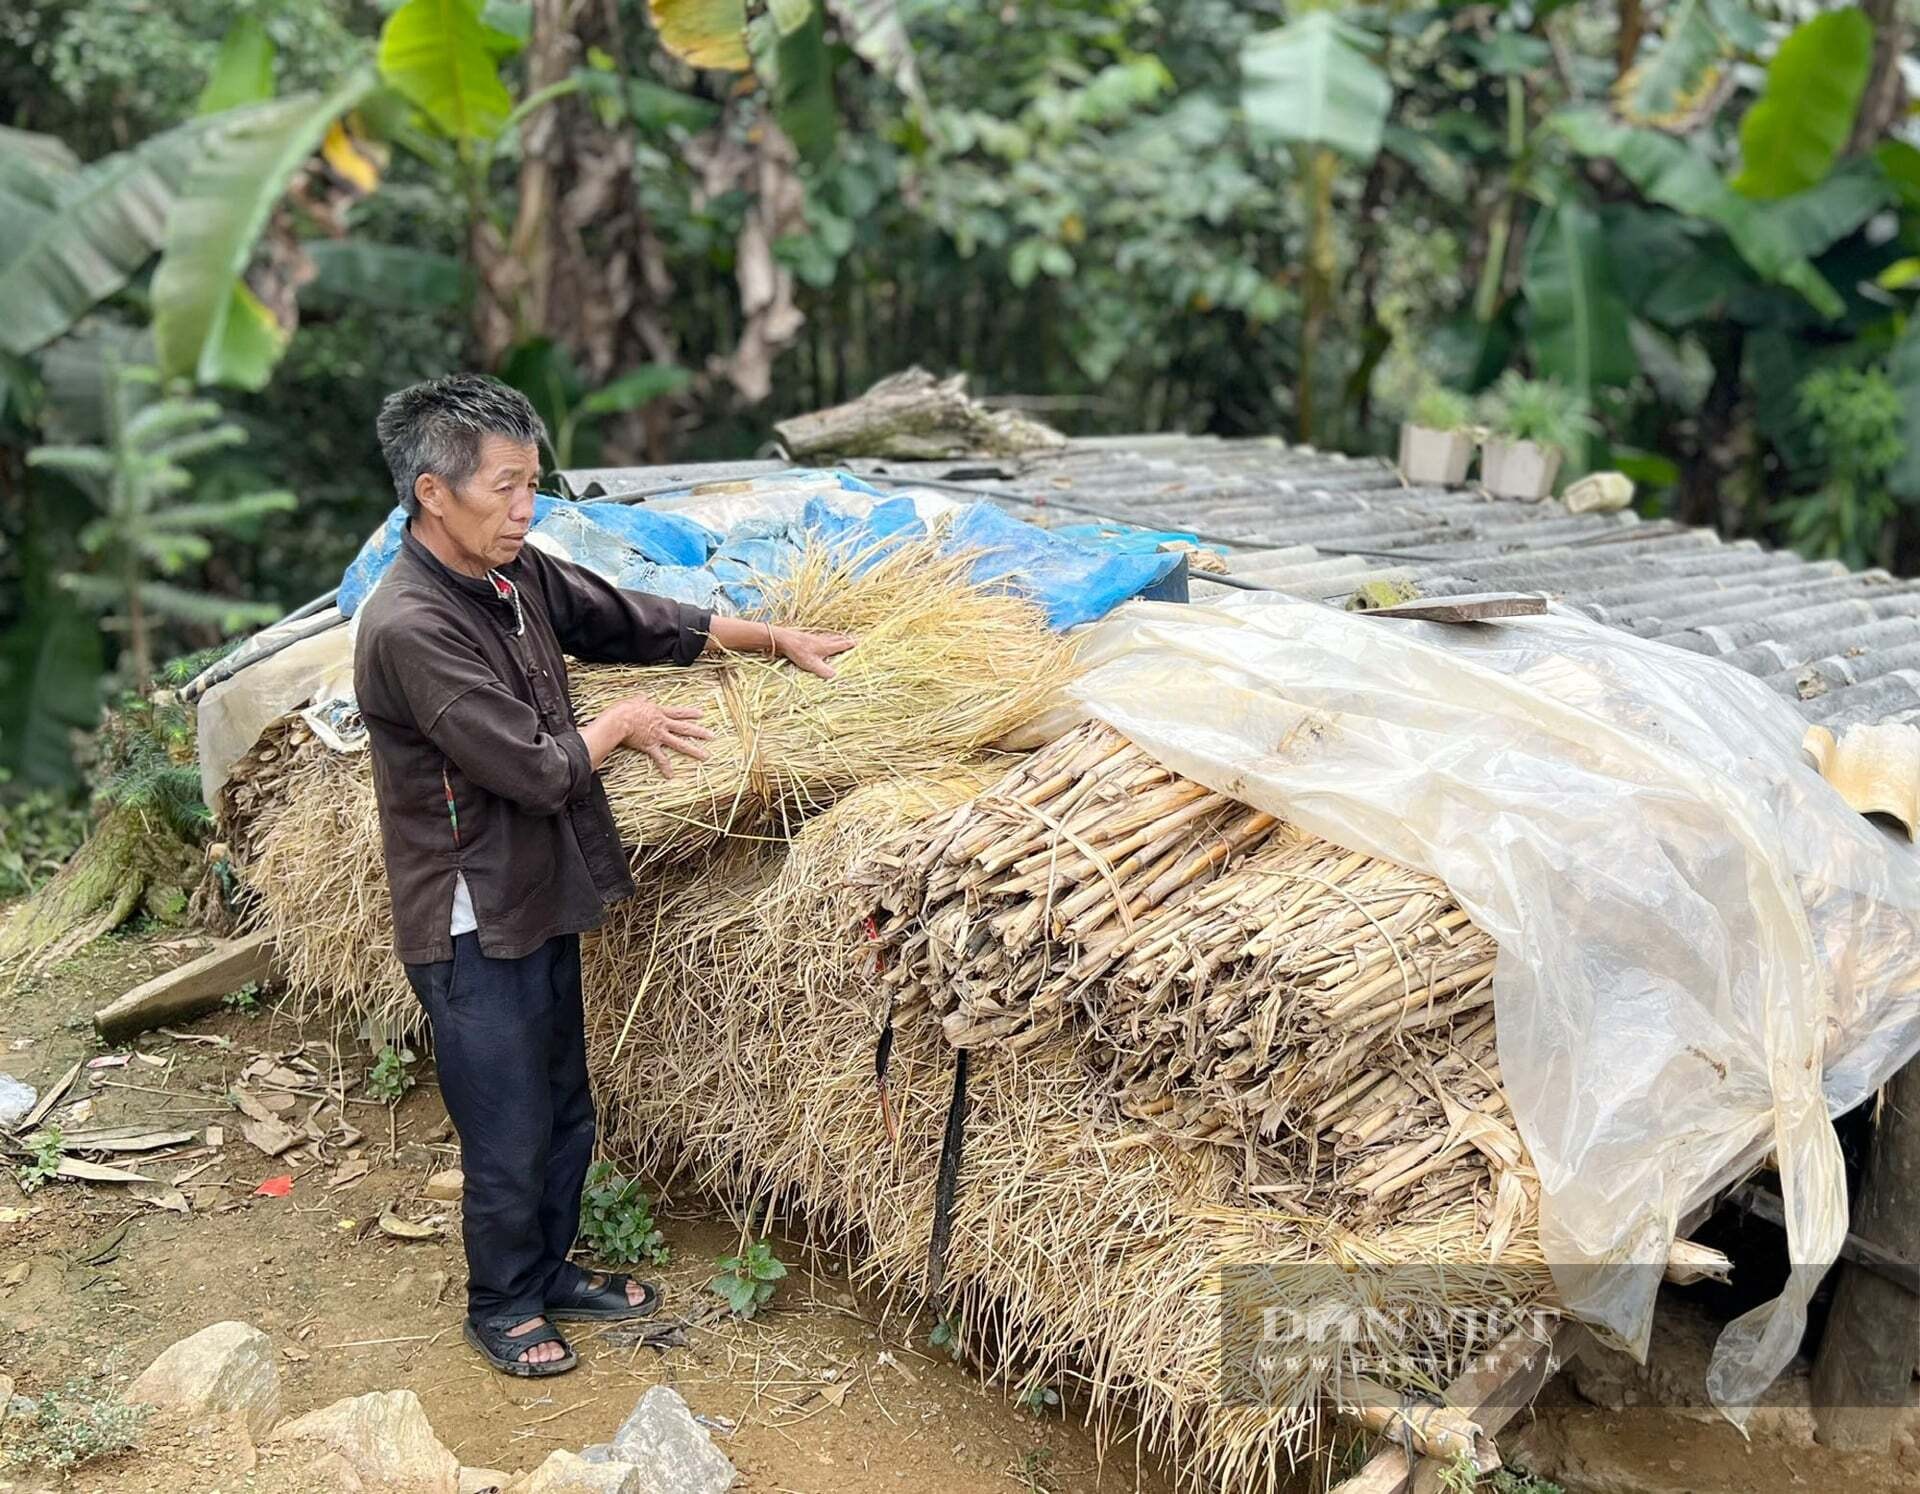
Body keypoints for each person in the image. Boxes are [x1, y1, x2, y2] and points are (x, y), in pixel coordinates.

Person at [353, 374, 854, 1376]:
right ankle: (500, 1304)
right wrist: (619, 726)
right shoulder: (412, 625)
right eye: (503, 487)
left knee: (563, 1102)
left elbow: (630, 618)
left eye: (532, 484)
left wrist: (771, 640)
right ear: (431, 493)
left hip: (535, 888)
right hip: (467, 913)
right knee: (507, 1126)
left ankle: (550, 1271)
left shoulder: (513, 577)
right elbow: (533, 772)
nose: (524, 508)